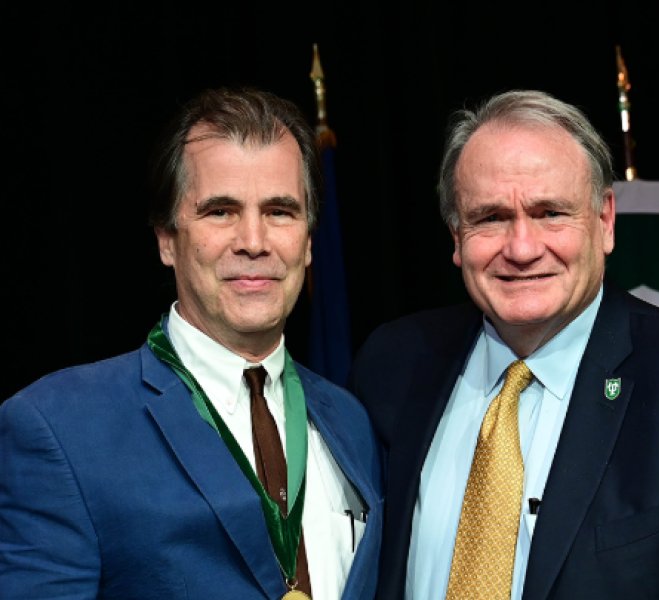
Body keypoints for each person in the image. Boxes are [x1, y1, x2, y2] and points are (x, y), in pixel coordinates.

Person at [349, 91, 659, 600]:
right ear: (456, 236)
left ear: (605, 220)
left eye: (550, 213)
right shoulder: (393, 366)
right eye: (491, 217)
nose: (521, 248)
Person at [0, 87, 383, 600]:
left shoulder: (352, 423)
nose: (253, 240)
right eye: (220, 211)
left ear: (309, 241)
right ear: (166, 239)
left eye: (280, 211)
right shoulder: (57, 429)